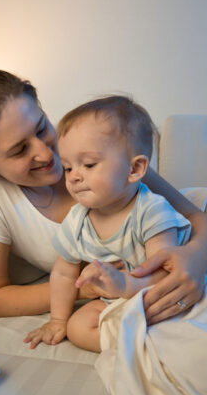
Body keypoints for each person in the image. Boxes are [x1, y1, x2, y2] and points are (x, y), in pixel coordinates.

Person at [0, 69, 207, 329]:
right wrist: (83, 288)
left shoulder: (92, 150)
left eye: (42, 128)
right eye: (19, 150)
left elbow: (197, 218)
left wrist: (195, 258)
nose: (45, 153)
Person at [24, 96, 193, 352]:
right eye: (68, 168)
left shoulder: (150, 210)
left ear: (134, 169)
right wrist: (58, 319)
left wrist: (127, 286)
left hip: (155, 288)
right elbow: (62, 273)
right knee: (77, 328)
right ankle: (136, 349)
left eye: (89, 164)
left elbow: (166, 271)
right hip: (114, 296)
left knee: (193, 305)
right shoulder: (77, 220)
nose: (75, 177)